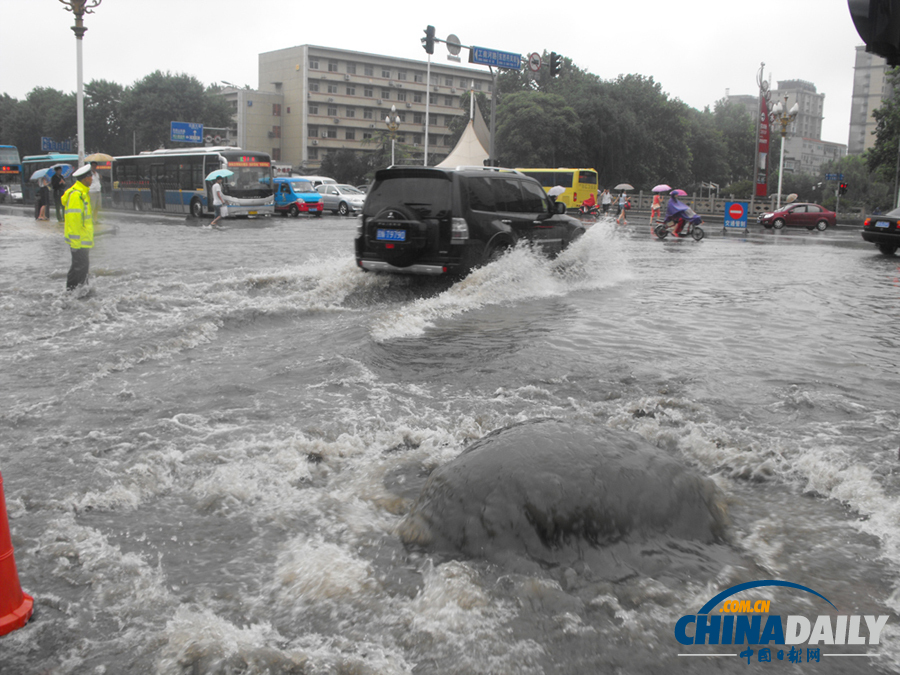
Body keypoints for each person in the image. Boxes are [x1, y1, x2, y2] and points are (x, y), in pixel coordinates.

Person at [62, 165, 95, 291]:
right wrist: (75, 244)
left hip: (83, 241)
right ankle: (73, 293)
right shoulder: (76, 195)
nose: (92, 178)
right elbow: (74, 221)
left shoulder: (82, 193)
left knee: (82, 267)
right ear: (85, 178)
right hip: (79, 242)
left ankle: (79, 291)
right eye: (90, 176)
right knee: (79, 268)